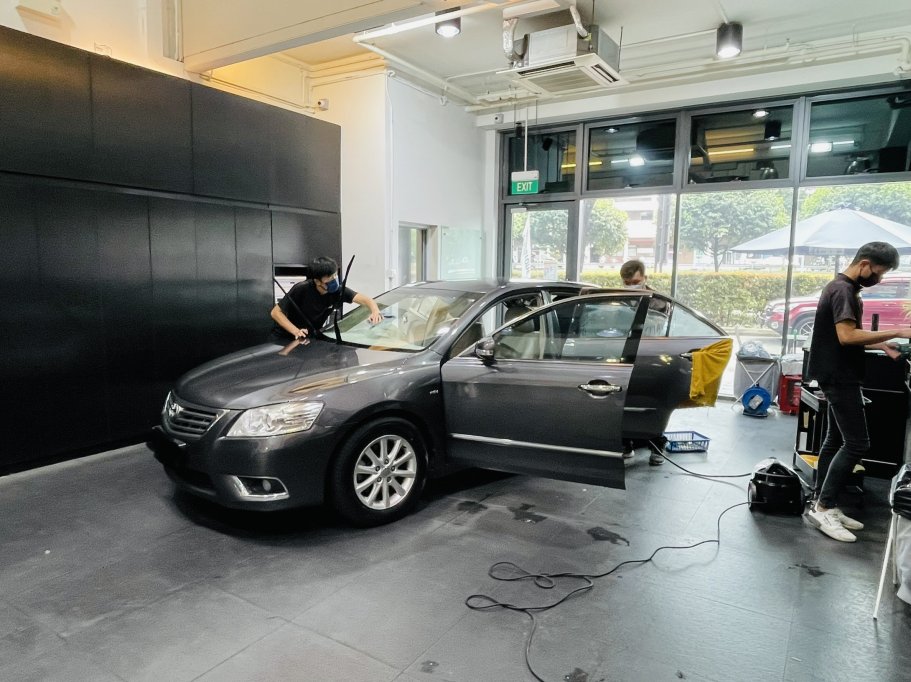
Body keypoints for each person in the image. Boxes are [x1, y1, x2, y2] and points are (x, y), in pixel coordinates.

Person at [805, 241, 911, 542]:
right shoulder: (843, 291)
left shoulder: (842, 287)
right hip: (839, 376)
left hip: (835, 372)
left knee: (835, 439)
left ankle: (822, 502)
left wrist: (882, 344)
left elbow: (848, 336)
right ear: (864, 264)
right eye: (879, 271)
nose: (880, 277)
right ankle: (824, 506)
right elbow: (847, 336)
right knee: (857, 443)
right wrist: (898, 331)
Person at [270, 256, 382, 342]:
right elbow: (275, 313)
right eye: (330, 277)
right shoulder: (302, 289)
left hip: (307, 338)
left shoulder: (338, 291)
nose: (334, 279)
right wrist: (296, 331)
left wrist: (375, 311)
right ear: (317, 281)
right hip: (284, 338)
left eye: (335, 275)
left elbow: (366, 300)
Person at [619, 259, 664, 465]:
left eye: (635, 282)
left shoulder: (659, 301)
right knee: (624, 403)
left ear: (645, 278)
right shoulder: (618, 299)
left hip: (650, 357)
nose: (631, 286)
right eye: (627, 283)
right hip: (625, 356)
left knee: (651, 405)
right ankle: (626, 444)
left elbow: (661, 328)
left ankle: (657, 446)